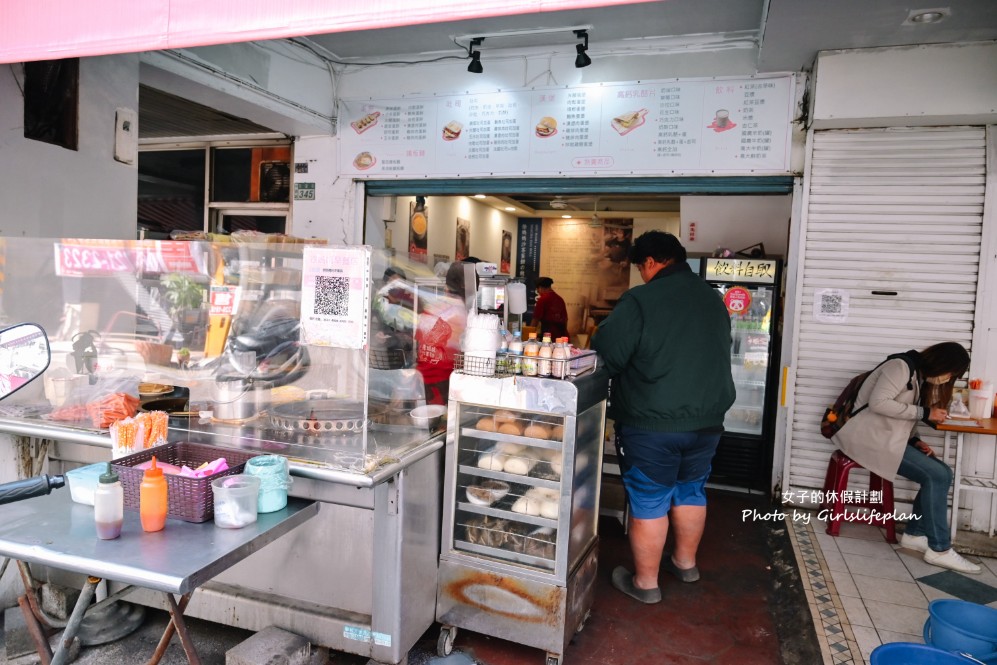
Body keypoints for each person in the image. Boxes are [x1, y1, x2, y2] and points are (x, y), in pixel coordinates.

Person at [592, 231, 735, 604]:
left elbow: (609, 350)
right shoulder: (712, 297)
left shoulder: (641, 299)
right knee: (690, 491)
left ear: (652, 263)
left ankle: (645, 583)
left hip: (652, 422)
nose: (642, 273)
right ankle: (685, 564)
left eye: (641, 266)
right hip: (707, 421)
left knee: (650, 500)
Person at [832, 342, 980, 574]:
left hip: (886, 438)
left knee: (941, 473)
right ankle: (939, 549)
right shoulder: (900, 367)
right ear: (942, 363)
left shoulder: (917, 375)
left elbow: (902, 417)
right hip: (867, 439)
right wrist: (925, 413)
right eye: (951, 373)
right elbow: (879, 403)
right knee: (938, 474)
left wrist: (915, 441)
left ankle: (914, 534)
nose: (948, 378)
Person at [415, 261, 470, 405]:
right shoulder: (462, 313)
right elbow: (461, 356)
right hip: (445, 384)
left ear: (446, 286)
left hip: (422, 381)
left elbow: (419, 343)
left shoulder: (431, 307)